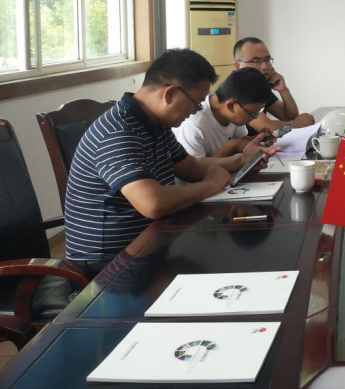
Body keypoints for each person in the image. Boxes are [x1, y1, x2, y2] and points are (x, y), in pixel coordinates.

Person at [64, 49, 276, 275]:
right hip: (110, 264)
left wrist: (242, 160)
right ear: (170, 94)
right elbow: (153, 203)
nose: (195, 110)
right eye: (196, 103)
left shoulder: (155, 124)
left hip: (151, 242)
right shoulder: (117, 132)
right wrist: (210, 185)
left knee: (234, 264)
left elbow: (190, 167)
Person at [173, 67, 273, 157]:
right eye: (253, 113)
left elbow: (241, 140)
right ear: (231, 106)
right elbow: (195, 169)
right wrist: (232, 146)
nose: (255, 118)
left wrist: (258, 139)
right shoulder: (194, 125)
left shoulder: (233, 113)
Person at [232, 37, 314, 134]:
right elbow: (270, 129)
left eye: (267, 59)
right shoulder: (237, 89)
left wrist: (283, 90)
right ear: (238, 66)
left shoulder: (258, 86)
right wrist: (297, 124)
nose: (265, 67)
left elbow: (290, 117)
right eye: (255, 61)